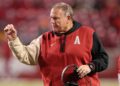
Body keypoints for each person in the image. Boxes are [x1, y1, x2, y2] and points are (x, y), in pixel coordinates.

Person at [4, 2, 108, 86]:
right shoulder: (44, 39)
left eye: (56, 18)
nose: (52, 22)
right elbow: (26, 56)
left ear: (68, 18)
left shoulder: (88, 34)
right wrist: (14, 40)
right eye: (51, 18)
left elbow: (103, 59)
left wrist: (90, 67)